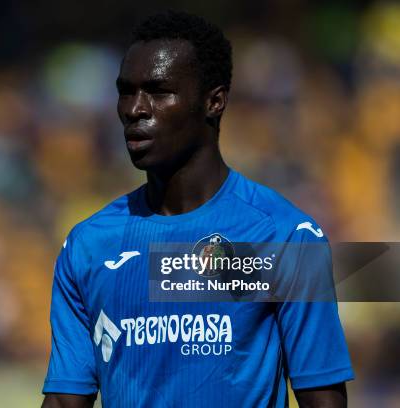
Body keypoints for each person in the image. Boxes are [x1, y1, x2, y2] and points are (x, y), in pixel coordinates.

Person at [41, 10, 353, 408]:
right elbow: (66, 400)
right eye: (126, 90)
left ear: (214, 101)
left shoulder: (283, 238)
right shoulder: (88, 245)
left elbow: (322, 399)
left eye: (158, 90)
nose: (135, 108)